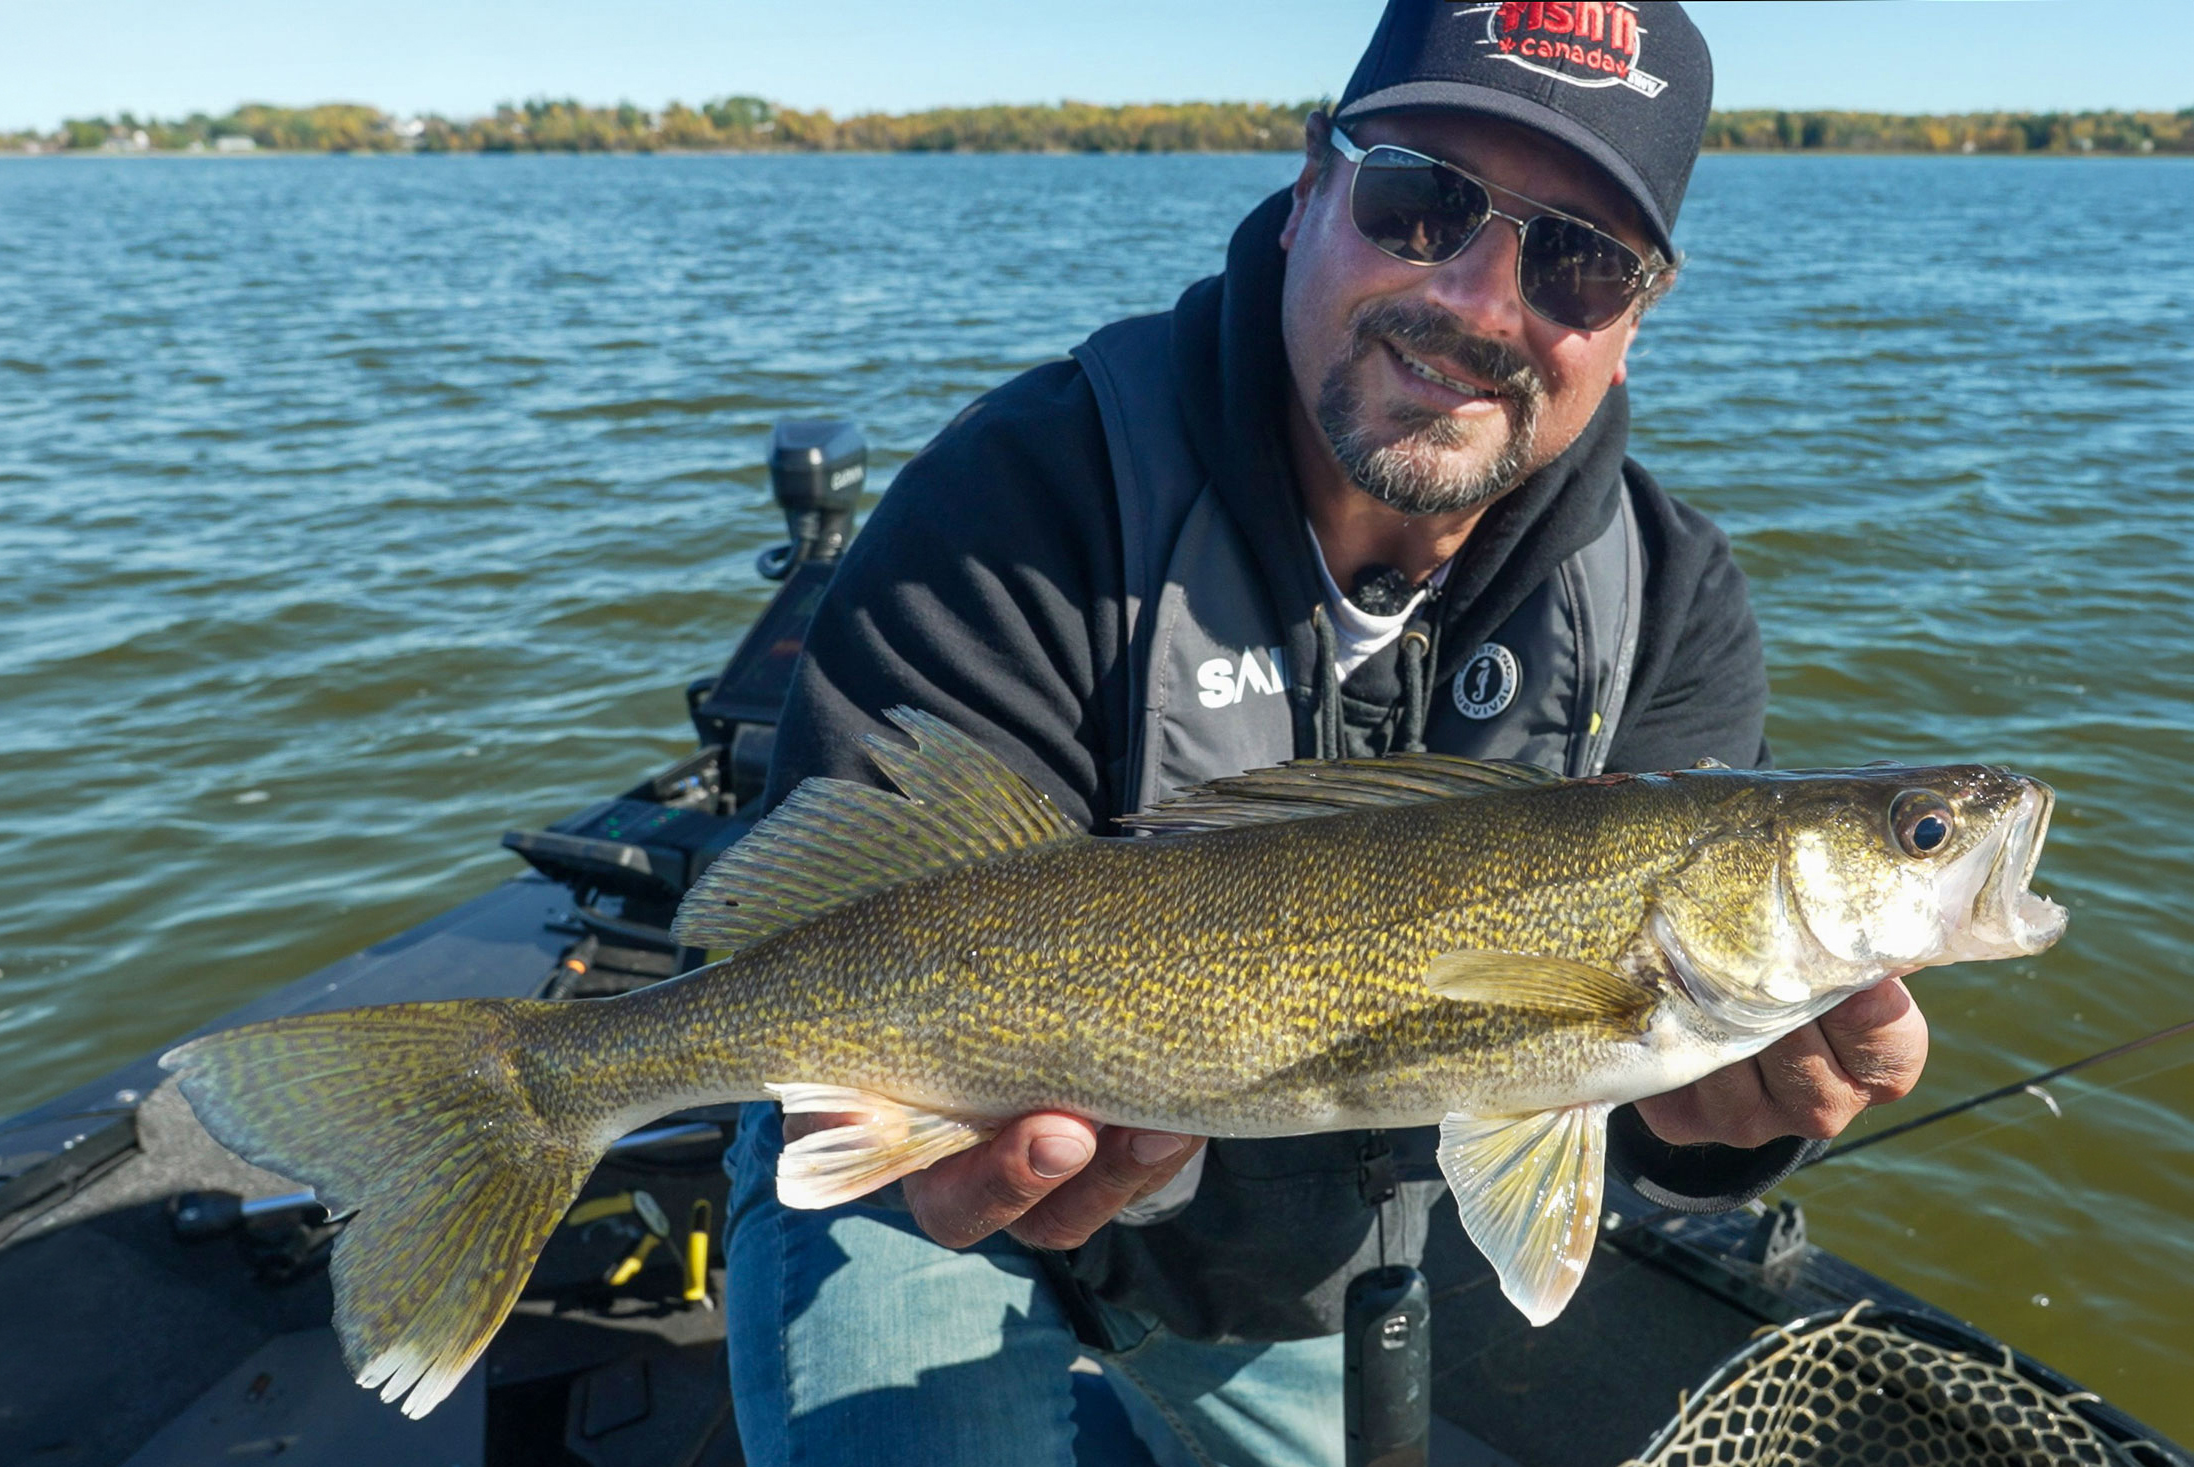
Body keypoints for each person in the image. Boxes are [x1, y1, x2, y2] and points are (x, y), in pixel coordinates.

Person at [722, 3, 1929, 1462]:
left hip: (1285, 1274)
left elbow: (1639, 1089)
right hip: (912, 1170)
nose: (1483, 302)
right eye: (1421, 200)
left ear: (1639, 315)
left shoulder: (1673, 604)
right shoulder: (1019, 499)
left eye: (1581, 258)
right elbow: (842, 907)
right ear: (1310, 190)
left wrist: (1746, 1117)